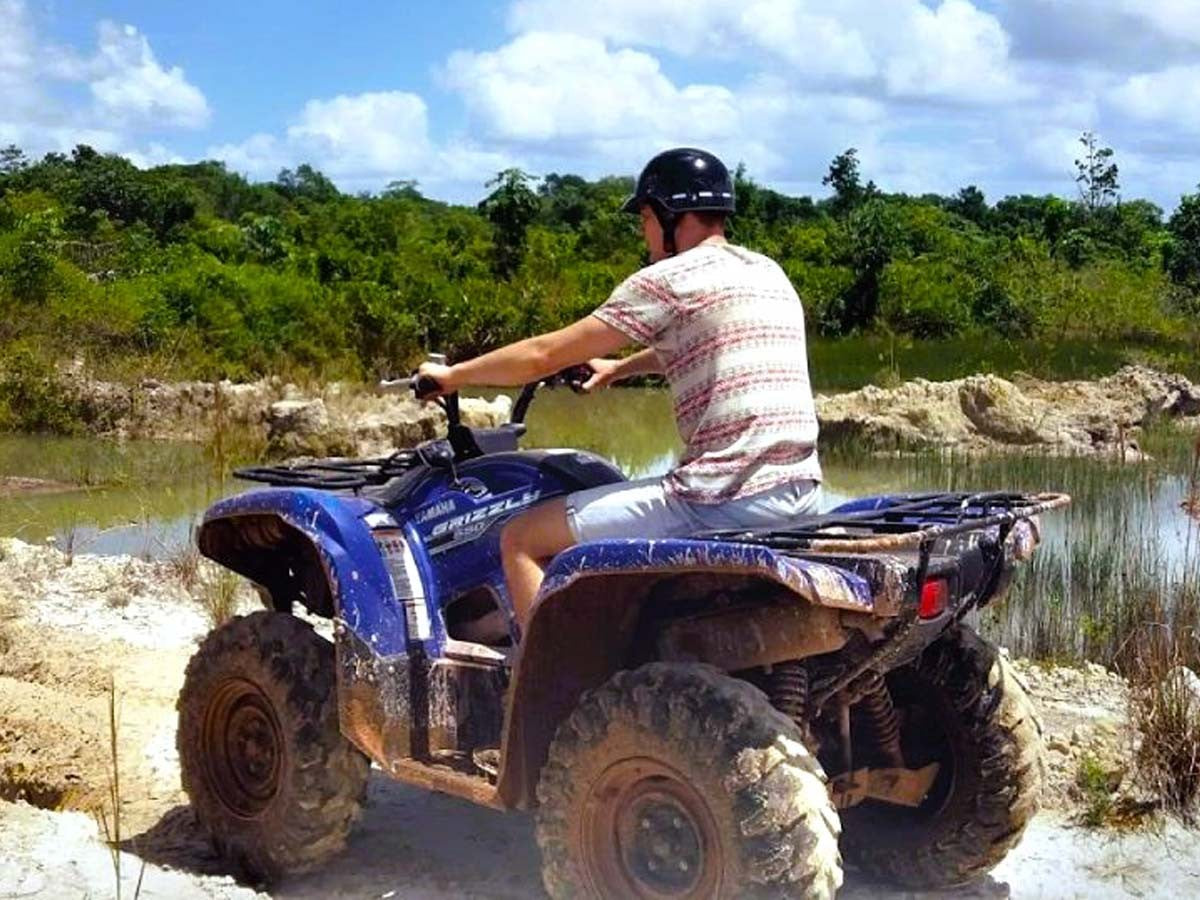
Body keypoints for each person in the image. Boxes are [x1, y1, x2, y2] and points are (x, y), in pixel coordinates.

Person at [418, 147, 822, 635]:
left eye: (645, 220)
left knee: (522, 538)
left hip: (719, 497)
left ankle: (549, 697)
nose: (644, 235)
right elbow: (699, 345)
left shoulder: (669, 280)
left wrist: (452, 376)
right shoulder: (766, 272)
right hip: (800, 493)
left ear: (664, 216)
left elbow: (545, 354)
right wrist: (615, 370)